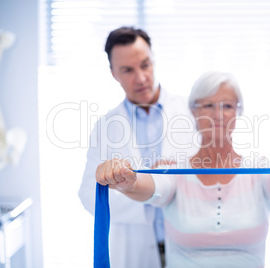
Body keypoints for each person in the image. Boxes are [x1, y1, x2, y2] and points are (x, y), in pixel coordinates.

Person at [95, 71, 270, 268]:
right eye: (208, 105)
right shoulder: (174, 170)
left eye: (227, 106)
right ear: (193, 111)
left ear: (239, 112)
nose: (218, 114)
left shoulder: (258, 171)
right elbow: (147, 187)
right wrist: (124, 180)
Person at [78, 26, 197, 268]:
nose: (141, 78)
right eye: (128, 70)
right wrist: (138, 185)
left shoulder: (193, 112)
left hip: (190, 244)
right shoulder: (106, 127)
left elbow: (217, 177)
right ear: (114, 74)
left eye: (145, 65)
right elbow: (89, 196)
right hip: (136, 251)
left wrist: (168, 183)